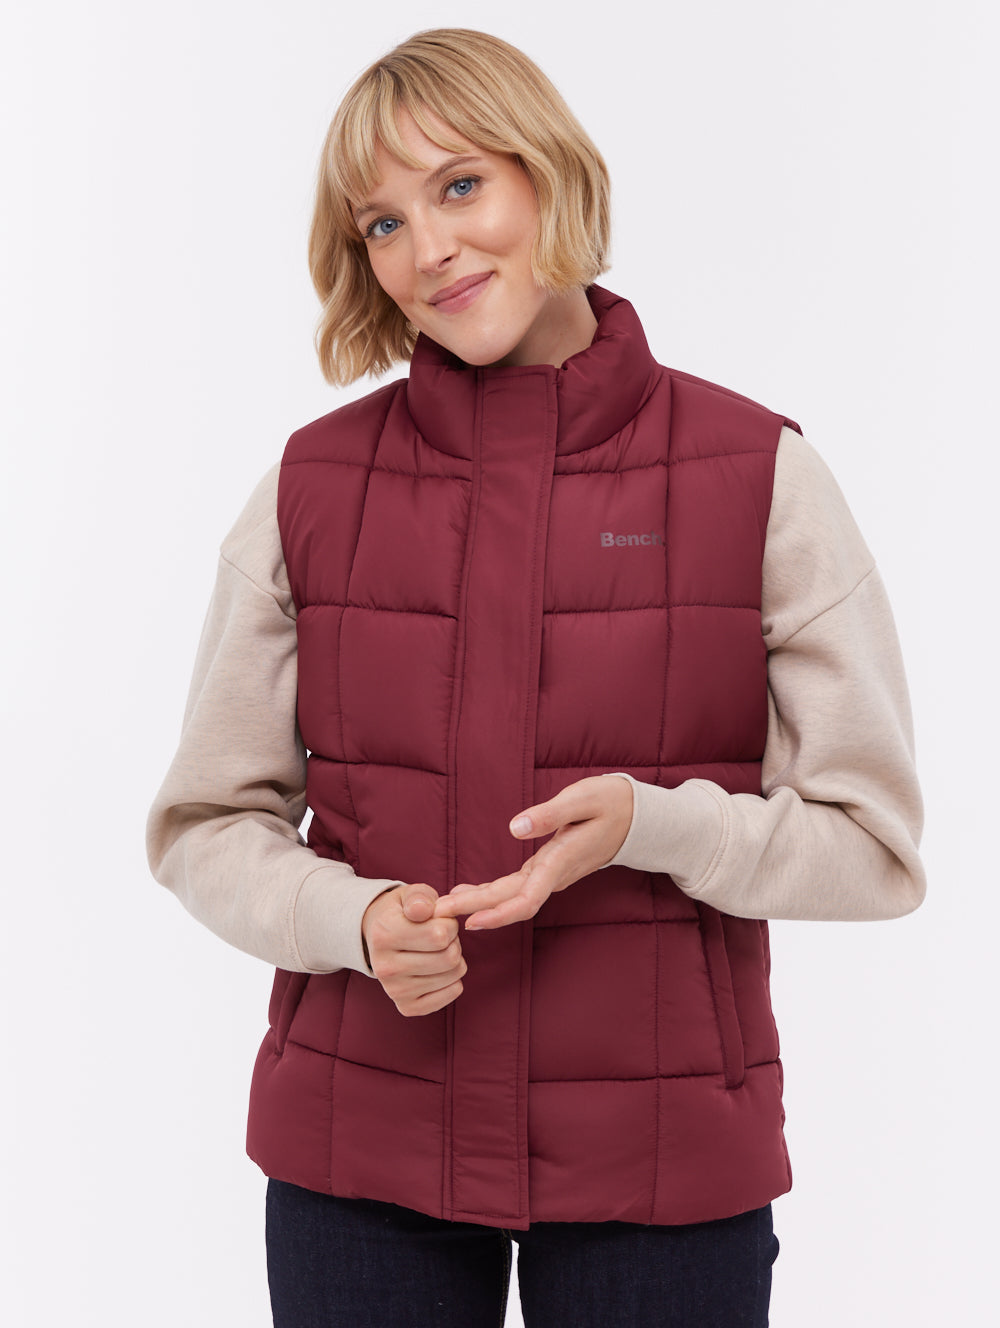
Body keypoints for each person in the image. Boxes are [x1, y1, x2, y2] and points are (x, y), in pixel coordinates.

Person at [145, 27, 926, 1328]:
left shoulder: (759, 475)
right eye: (383, 223)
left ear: (547, 173)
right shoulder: (310, 487)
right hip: (359, 1153)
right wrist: (354, 919)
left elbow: (874, 848)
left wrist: (652, 826)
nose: (430, 248)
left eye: (460, 186)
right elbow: (203, 824)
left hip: (662, 1172)